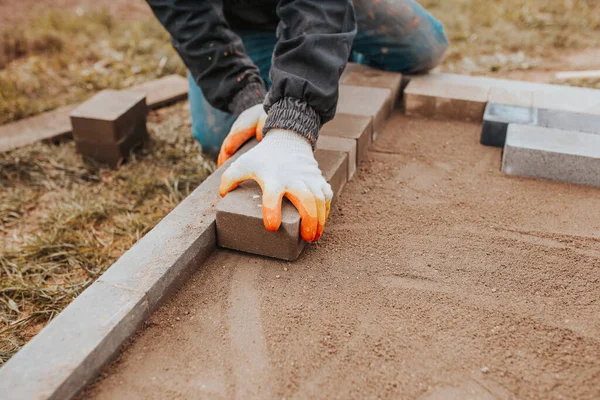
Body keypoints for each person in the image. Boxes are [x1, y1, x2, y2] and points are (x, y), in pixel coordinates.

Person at [146, 0, 448, 242]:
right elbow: (186, 15)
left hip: (323, 6)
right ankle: (309, 55)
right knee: (219, 137)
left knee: (424, 47)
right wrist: (244, 95)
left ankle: (331, 43)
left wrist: (293, 122)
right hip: (234, 21)